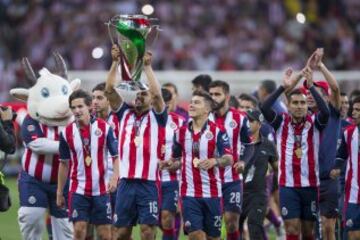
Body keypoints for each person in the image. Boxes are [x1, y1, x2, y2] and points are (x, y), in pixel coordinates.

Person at [105, 45, 167, 240]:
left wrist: (148, 67)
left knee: (148, 231)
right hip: (125, 183)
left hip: (148, 183)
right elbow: (109, 90)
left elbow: (157, 95)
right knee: (121, 232)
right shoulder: (124, 114)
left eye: (143, 94)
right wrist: (115, 63)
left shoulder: (159, 117)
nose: (139, 97)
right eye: (138, 93)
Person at [260, 67, 330, 239]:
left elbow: (326, 112)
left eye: (303, 103)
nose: (299, 106)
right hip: (288, 186)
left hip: (311, 186)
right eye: (295, 103)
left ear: (307, 105)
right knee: (291, 229)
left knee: (308, 232)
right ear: (288, 106)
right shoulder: (280, 122)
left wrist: (311, 86)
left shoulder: (315, 122)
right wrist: (283, 87)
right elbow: (264, 107)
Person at [56, 89, 119, 240]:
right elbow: (63, 164)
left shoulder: (105, 128)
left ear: (89, 107)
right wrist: (59, 192)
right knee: (79, 231)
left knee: (105, 234)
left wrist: (114, 178)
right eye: (73, 107)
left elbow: (116, 157)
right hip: (78, 190)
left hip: (101, 190)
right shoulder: (66, 133)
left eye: (80, 106)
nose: (77, 111)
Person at [172, 90, 233, 240]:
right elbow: (176, 160)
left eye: (197, 103)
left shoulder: (218, 131)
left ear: (207, 109)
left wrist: (215, 161)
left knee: (213, 237)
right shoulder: (180, 132)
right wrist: (169, 164)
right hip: (189, 194)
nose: (191, 105)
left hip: (212, 194)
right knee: (195, 235)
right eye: (191, 102)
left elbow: (229, 158)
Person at [304, 48, 342, 240]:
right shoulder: (304, 117)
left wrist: (320, 66)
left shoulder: (333, 113)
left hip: (328, 179)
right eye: (308, 91)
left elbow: (335, 88)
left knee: (328, 228)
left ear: (325, 96)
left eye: (315, 90)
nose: (309, 94)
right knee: (308, 230)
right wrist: (305, 71)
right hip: (306, 180)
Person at [208, 80, 250, 240]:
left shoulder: (239, 118)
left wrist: (243, 161)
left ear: (227, 96)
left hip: (232, 179)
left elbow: (249, 145)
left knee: (232, 222)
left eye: (217, 94)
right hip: (209, 180)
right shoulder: (204, 117)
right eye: (210, 94)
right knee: (213, 225)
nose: (213, 98)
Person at [239, 109, 278, 239]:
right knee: (234, 228)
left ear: (260, 124)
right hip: (238, 192)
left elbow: (277, 168)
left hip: (258, 194)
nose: (247, 123)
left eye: (251, 121)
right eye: (246, 120)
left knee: (254, 226)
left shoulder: (268, 145)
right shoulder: (238, 143)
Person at [92, 82, 120, 238]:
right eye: (93, 97)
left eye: (99, 98)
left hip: (116, 181)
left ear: (109, 100)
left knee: (117, 230)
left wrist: (116, 177)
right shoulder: (87, 121)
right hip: (93, 181)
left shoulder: (119, 120)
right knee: (89, 227)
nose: (95, 101)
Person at [330, 96, 360, 240]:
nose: (353, 113)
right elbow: (341, 155)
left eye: (358, 110)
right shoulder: (348, 133)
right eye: (353, 109)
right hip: (353, 192)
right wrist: (336, 167)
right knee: (352, 233)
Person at [158, 88, 185, 240]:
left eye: (166, 106)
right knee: (152, 222)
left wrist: (176, 163)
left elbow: (186, 153)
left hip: (172, 178)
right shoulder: (144, 121)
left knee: (168, 217)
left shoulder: (180, 122)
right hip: (148, 179)